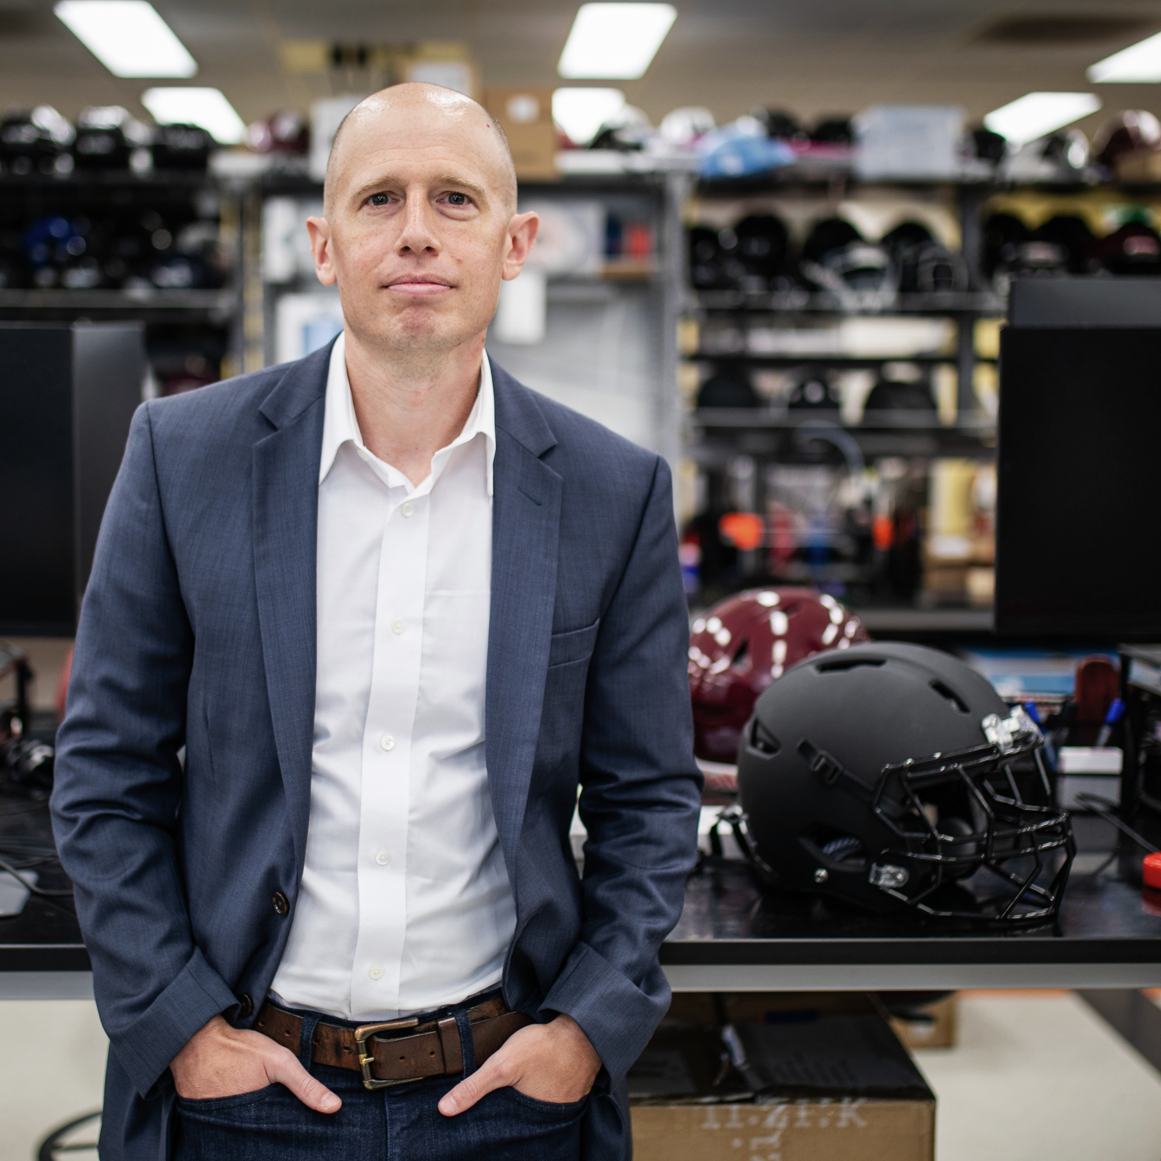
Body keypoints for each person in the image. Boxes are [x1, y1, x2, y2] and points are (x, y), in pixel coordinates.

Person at [50, 83, 701, 1161]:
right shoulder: (181, 456)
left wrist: (585, 1029)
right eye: (378, 199)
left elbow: (650, 798)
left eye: (455, 199)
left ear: (514, 240)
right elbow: (105, 771)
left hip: (505, 1093)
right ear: (322, 242)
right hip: (242, 1090)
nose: (415, 233)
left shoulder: (610, 490)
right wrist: (181, 1028)